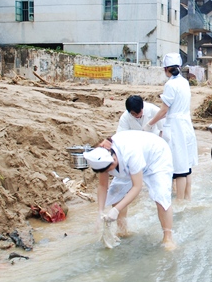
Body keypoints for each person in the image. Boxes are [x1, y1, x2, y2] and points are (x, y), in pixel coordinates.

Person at [84, 131, 177, 250]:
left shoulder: (130, 153)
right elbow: (102, 186)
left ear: (113, 157)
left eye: (110, 168)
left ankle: (168, 237)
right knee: (116, 192)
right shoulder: (102, 158)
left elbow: (137, 186)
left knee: (161, 196)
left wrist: (116, 210)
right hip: (132, 163)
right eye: (107, 171)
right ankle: (123, 230)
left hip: (156, 156)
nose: (110, 171)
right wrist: (100, 211)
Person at [145, 53, 199, 202]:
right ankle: (187, 198)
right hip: (186, 124)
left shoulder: (170, 85)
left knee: (179, 167)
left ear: (165, 69)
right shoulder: (184, 82)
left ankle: (179, 202)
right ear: (179, 67)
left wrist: (150, 124)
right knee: (187, 164)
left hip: (176, 127)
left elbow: (164, 110)